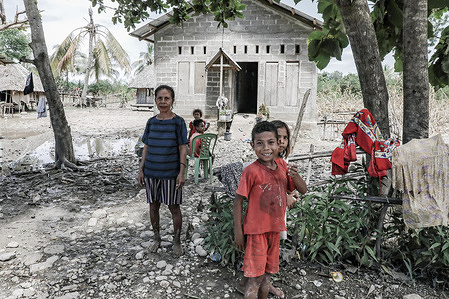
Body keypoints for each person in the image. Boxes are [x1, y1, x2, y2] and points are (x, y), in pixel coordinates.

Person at [233, 121, 307, 299]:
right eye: (260, 143)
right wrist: (238, 231)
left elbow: (303, 190)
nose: (266, 148)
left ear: (279, 144)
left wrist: (295, 176)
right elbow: (238, 201)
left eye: (271, 142)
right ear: (252, 145)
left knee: (266, 277)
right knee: (255, 280)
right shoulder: (251, 171)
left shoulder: (282, 166)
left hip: (275, 230)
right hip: (257, 231)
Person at [138, 85, 188, 257]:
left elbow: (183, 148)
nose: (163, 102)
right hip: (152, 172)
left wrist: (181, 172)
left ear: (172, 101)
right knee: (153, 206)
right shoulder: (151, 122)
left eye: (167, 98)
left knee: (174, 208)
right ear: (156, 100)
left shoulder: (178, 122)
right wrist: (141, 169)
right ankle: (157, 238)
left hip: (171, 174)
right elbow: (146, 146)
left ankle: (177, 241)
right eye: (160, 98)